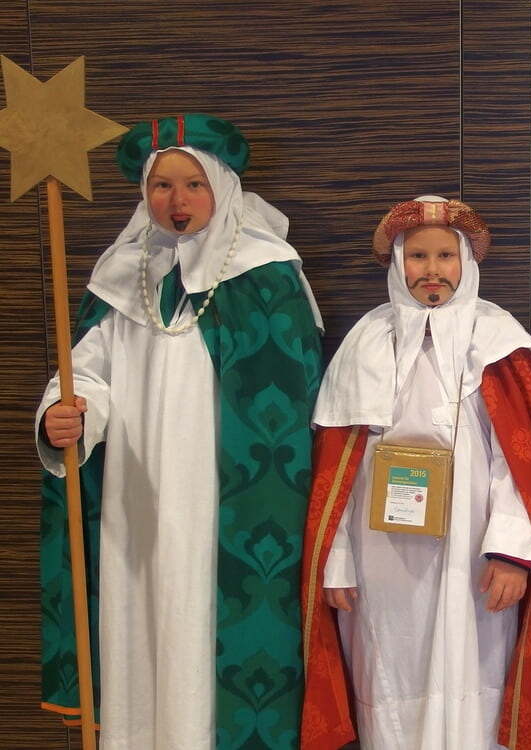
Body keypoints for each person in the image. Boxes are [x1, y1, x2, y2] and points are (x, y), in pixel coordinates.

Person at [37, 114, 324, 749]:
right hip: (134, 495)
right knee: (137, 618)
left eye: (193, 184)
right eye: (161, 185)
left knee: (202, 617)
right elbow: (85, 372)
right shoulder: (122, 274)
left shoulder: (267, 273)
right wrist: (65, 410)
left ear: (221, 187)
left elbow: (288, 400)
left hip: (223, 501)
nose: (177, 200)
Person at [298, 196, 531, 750]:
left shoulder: (499, 340)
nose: (432, 270)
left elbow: (519, 462)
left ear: (466, 262)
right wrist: (338, 557)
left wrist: (511, 552)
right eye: (417, 256)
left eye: (445, 255)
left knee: (476, 665)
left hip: (474, 552)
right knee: (388, 663)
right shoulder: (364, 342)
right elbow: (338, 469)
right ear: (397, 264)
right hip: (381, 557)